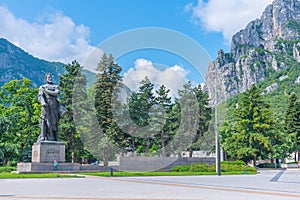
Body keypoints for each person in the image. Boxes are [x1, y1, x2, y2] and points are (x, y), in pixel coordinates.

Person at [37, 73, 67, 142]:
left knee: (55, 121)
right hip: (46, 105)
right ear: (46, 78)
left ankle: (56, 137)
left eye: (50, 77)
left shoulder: (56, 87)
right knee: (44, 120)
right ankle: (43, 136)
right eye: (48, 77)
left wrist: (46, 90)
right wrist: (43, 102)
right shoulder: (42, 87)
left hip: (54, 106)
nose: (50, 78)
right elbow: (40, 96)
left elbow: (56, 93)